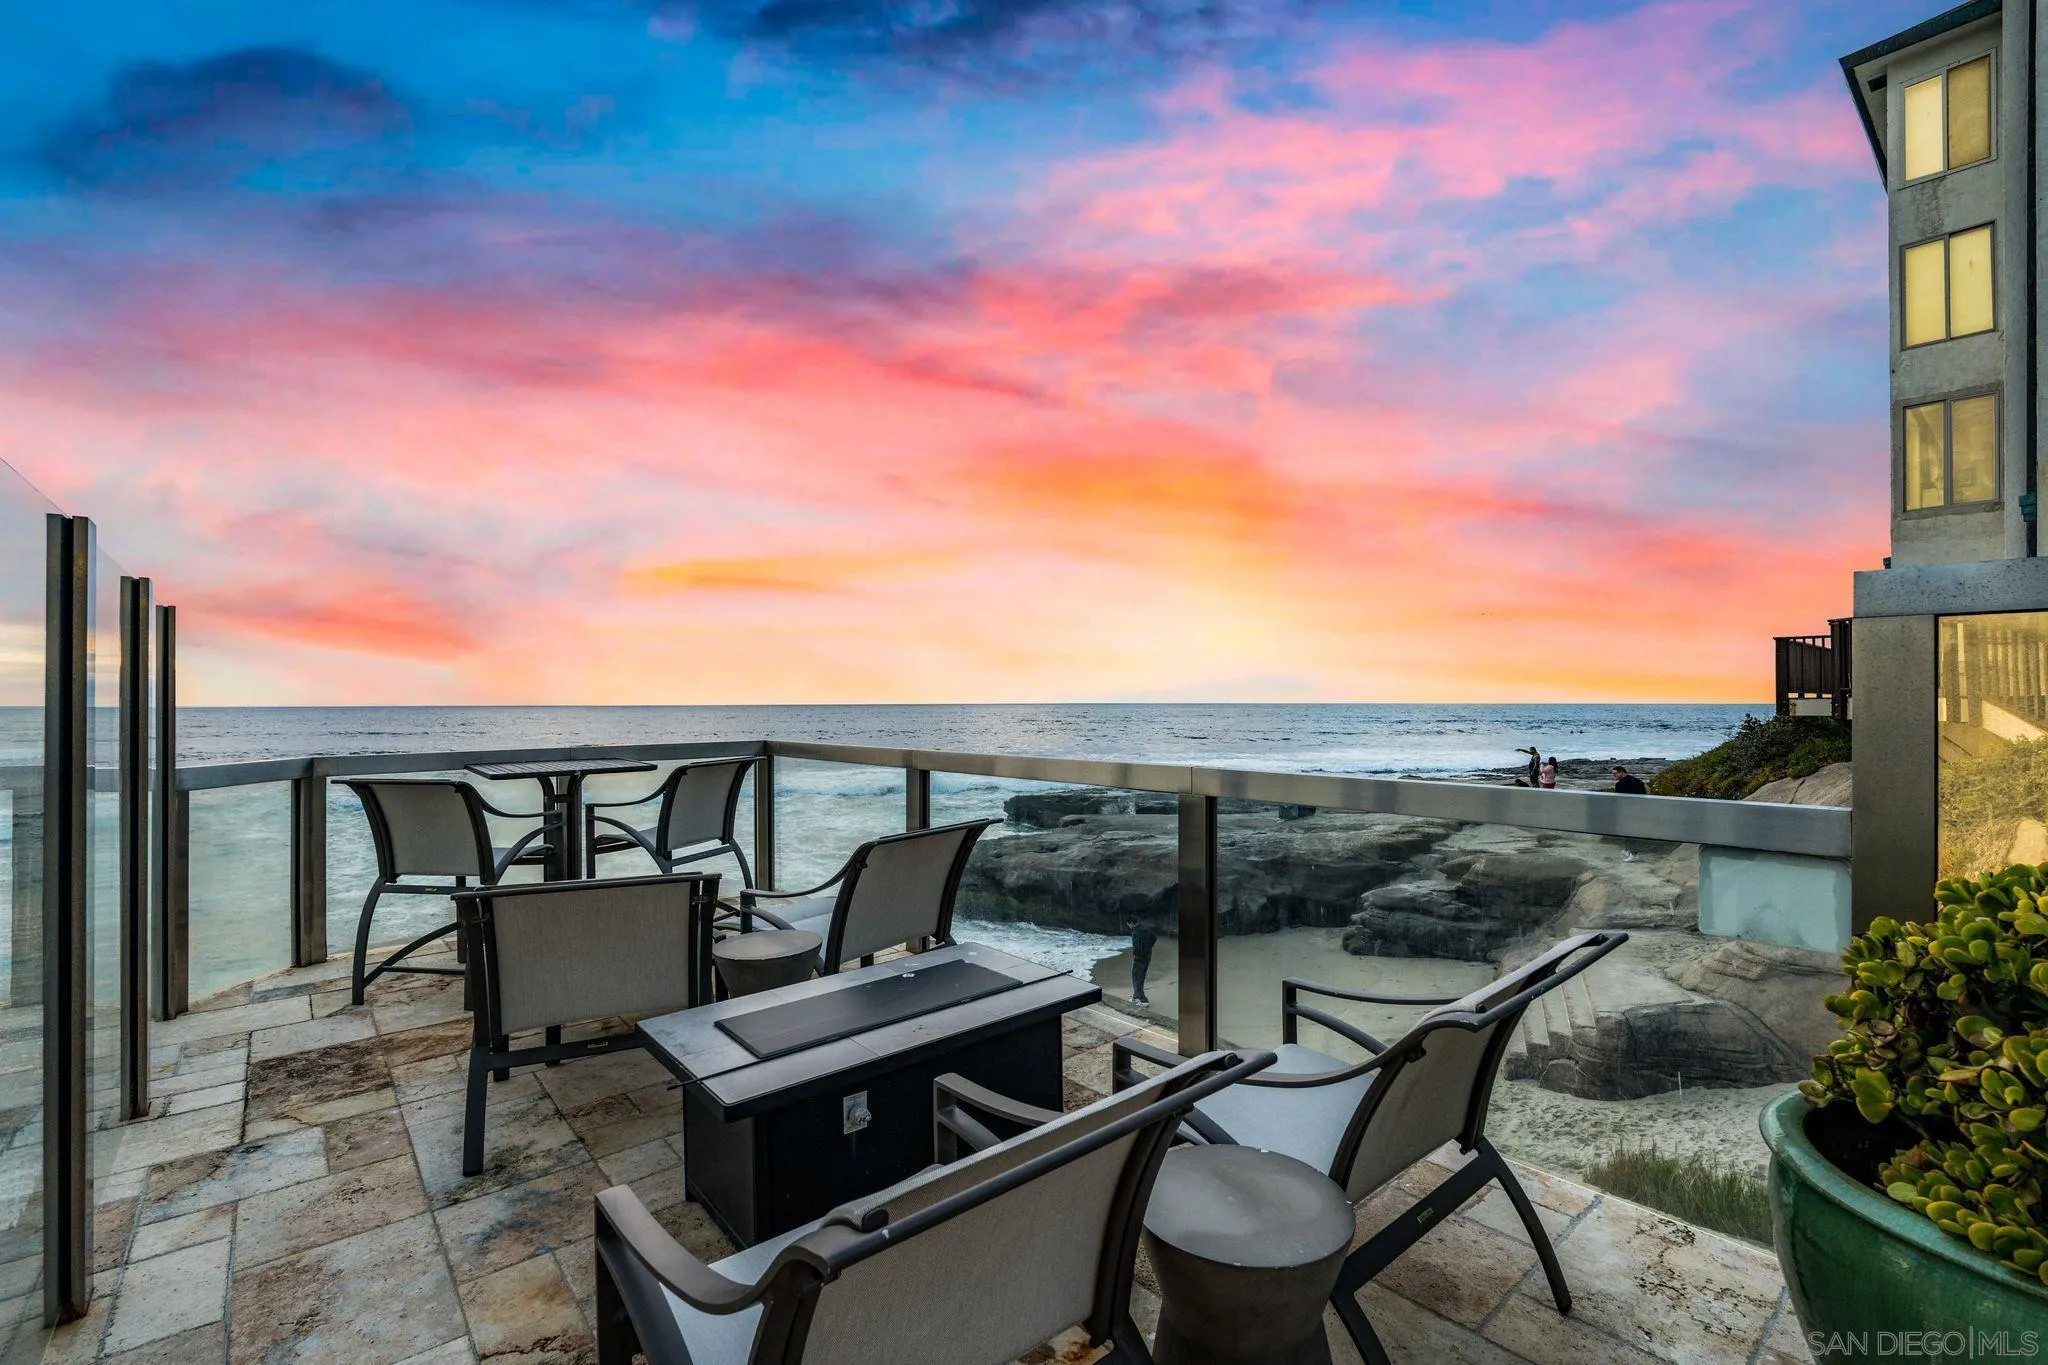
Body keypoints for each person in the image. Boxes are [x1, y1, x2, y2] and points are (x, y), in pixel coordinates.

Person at [1127, 917, 1158, 1005]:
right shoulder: (1144, 928)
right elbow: (1154, 938)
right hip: (1147, 956)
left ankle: (1143, 1000)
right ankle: (1136, 996)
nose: (1129, 926)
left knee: (1137, 977)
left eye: (1128, 924)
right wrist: (1148, 948)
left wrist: (1136, 955)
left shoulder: (1136, 932)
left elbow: (1136, 947)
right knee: (1141, 976)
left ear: (1131, 923)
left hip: (1139, 958)